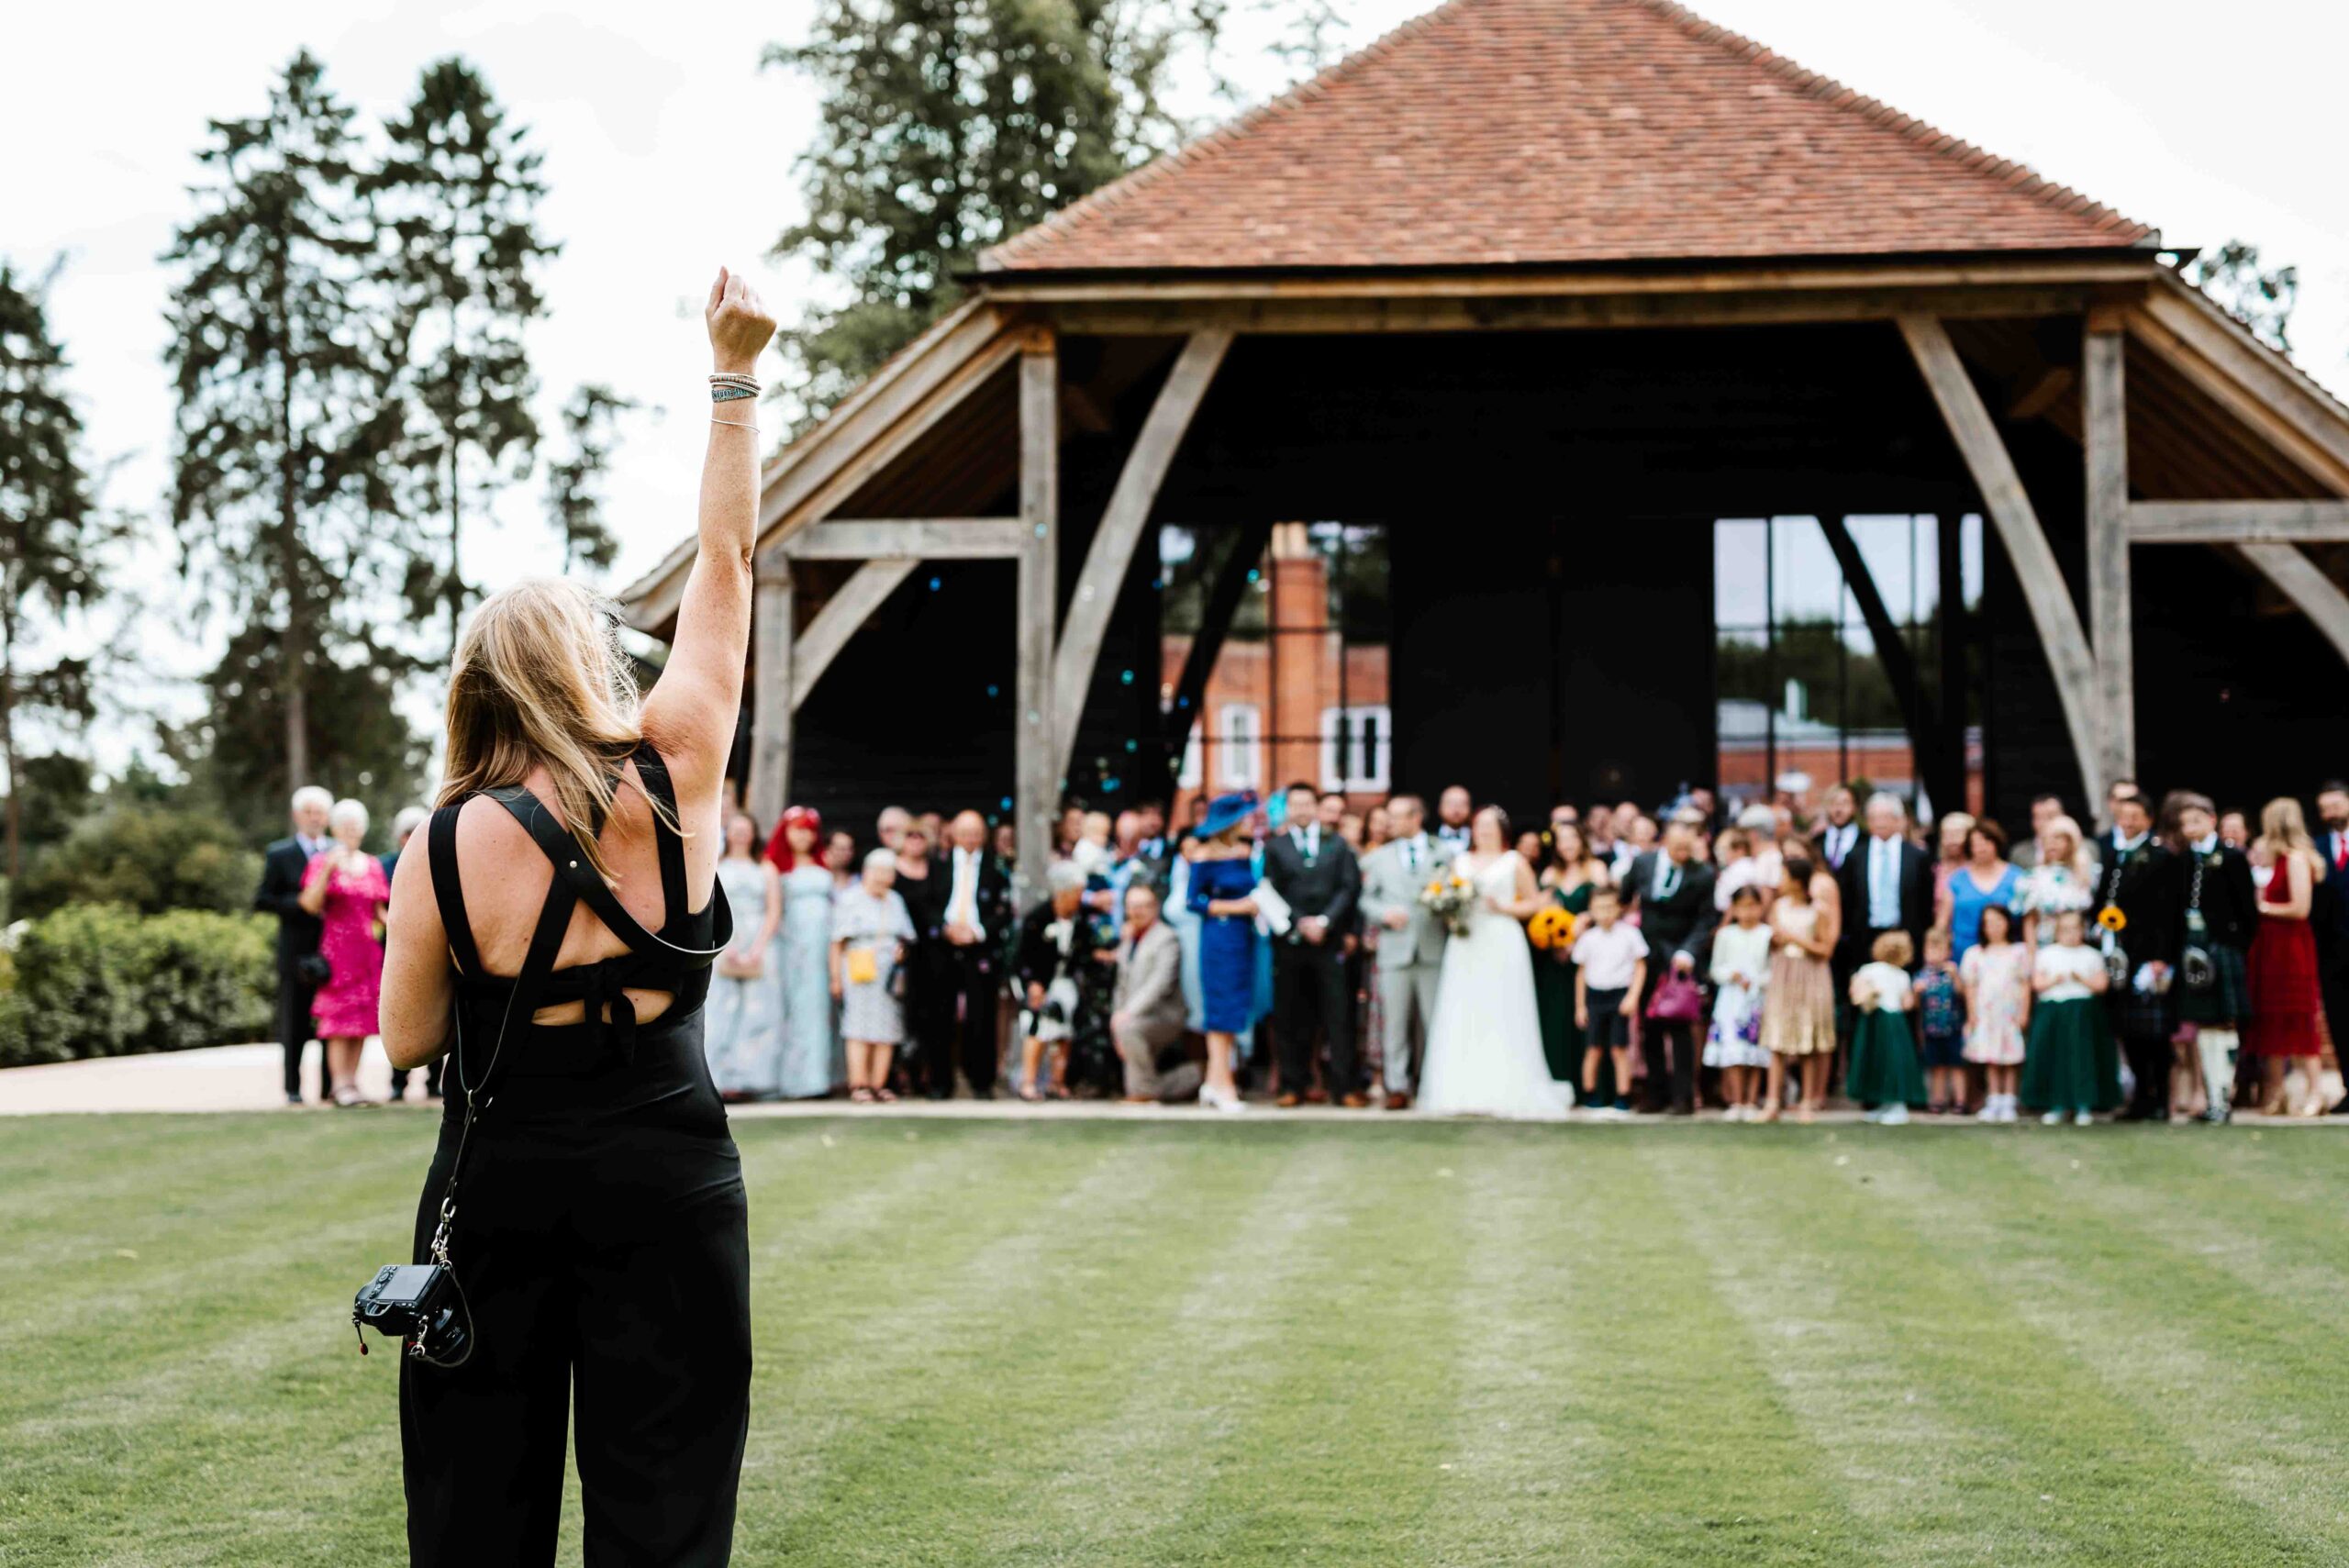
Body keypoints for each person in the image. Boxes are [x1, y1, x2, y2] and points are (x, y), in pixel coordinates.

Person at [377, 266, 772, 1564]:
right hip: (670, 1165)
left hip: (505, 1182)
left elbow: (407, 1041)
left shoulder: (439, 841)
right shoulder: (680, 760)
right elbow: (727, 558)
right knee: (667, 1505)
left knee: (477, 1508)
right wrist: (732, 375)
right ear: (589, 665)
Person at [1419, 806, 1570, 1118]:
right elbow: (1443, 893)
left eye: (1489, 825)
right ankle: (1462, 1089)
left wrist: (1502, 907)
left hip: (1502, 939)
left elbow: (1535, 904)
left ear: (1502, 830)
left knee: (1503, 1009)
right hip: (1466, 941)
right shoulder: (1459, 861)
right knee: (1464, 1009)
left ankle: (1506, 1087)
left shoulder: (1514, 862)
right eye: (1479, 825)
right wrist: (1449, 908)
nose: (1483, 831)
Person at [1265, 784, 1364, 1107]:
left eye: (1308, 804)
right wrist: (1300, 922)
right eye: (1296, 805)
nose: (1302, 810)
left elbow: (1348, 889)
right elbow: (1271, 890)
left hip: (1329, 941)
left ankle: (1345, 1088)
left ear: (1317, 807)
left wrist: (1324, 922)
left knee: (1338, 1015)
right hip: (1291, 943)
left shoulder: (1338, 846)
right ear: (1288, 809)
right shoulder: (1275, 847)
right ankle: (1293, 1086)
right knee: (1291, 1015)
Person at [1359, 794, 1453, 1111]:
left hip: (1432, 947)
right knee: (1394, 1022)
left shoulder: (1443, 853)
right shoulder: (1378, 858)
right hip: (1394, 950)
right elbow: (1365, 899)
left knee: (1434, 1021)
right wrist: (1383, 914)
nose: (1390, 823)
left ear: (1416, 818)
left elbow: (1454, 891)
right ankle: (1396, 1086)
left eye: (1397, 817)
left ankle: (1433, 1082)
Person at [2167, 792, 2255, 1124]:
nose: (2190, 828)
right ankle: (2211, 1099)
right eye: (2185, 823)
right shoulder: (2183, 860)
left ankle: (2223, 1096)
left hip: (2222, 946)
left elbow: (2248, 912)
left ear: (2211, 820)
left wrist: (2233, 945)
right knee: (2202, 1025)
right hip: (2192, 946)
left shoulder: (2231, 858)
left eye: (2196, 821)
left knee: (2225, 1023)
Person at [1621, 817, 1716, 1114]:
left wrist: (1689, 951)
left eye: (1687, 848)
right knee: (1648, 1027)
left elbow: (1705, 919)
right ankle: (1655, 1094)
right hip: (1646, 956)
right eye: (1677, 848)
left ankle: (1683, 1098)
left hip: (1680, 960)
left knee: (1680, 1029)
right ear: (1664, 843)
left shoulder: (1703, 874)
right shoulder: (1643, 864)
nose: (1682, 853)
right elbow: (1624, 897)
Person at [298, 797, 389, 1108]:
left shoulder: (373, 865)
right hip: (337, 953)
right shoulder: (323, 861)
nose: (352, 831)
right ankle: (339, 1085)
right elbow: (310, 904)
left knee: (362, 1021)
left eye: (357, 827)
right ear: (335, 828)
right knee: (339, 1021)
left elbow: (379, 911)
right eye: (346, 826)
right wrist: (328, 869)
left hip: (367, 952)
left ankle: (353, 1083)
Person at [2099, 790, 2179, 1121]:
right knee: (2128, 1031)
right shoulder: (2114, 852)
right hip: (2119, 953)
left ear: (2148, 819)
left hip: (2149, 956)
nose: (2128, 822)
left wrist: (2161, 958)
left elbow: (2169, 912)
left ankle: (2160, 1099)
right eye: (2123, 815)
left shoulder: (2161, 857)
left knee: (2155, 1036)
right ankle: (2139, 1101)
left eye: (2135, 816)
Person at [2245, 796, 2327, 1115]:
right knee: (2270, 1017)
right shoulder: (2269, 860)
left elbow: (2300, 908)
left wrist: (2261, 908)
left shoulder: (2295, 859)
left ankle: (2315, 1093)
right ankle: (2276, 1092)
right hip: (2268, 947)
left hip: (2291, 947)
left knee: (2298, 1016)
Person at [255, 785, 333, 1105]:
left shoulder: (338, 851)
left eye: (319, 812)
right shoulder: (280, 854)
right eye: (308, 812)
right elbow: (263, 900)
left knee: (332, 1020)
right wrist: (299, 904)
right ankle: (292, 1088)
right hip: (296, 951)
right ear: (297, 816)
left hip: (332, 949)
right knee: (295, 1022)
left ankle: (332, 1086)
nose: (314, 818)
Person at [1185, 791, 1260, 1113]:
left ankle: (1215, 1083)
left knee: (1236, 1007)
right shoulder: (1203, 856)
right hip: (1219, 936)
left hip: (1244, 937)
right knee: (1220, 1006)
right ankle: (1223, 1083)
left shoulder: (1246, 852)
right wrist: (1235, 906)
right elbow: (1193, 901)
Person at [706, 809, 785, 1101]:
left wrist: (758, 947)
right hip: (724, 939)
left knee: (758, 1012)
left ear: (753, 834)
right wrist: (729, 944)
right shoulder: (716, 865)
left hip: (759, 942)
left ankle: (753, 1079)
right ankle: (719, 1078)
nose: (740, 834)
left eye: (745, 829)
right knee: (721, 1010)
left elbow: (774, 909)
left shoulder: (766, 868)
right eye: (735, 829)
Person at [933, 809, 1012, 1098]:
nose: (970, 839)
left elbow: (1004, 910)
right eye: (965, 833)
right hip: (944, 945)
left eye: (976, 833)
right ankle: (941, 1083)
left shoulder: (995, 866)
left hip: (980, 946)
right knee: (941, 1014)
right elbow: (927, 902)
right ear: (954, 833)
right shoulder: (937, 863)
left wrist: (978, 931)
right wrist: (945, 928)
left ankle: (982, 1082)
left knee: (982, 1015)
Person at [1013, 861, 1104, 1100]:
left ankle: (1057, 1081)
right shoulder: (1038, 918)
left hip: (1063, 980)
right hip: (1038, 979)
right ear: (1063, 892)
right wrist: (1033, 984)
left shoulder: (1080, 920)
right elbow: (1023, 957)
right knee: (1038, 1024)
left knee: (1065, 1028)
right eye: (1077, 892)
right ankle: (1028, 1082)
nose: (1080, 898)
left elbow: (1085, 952)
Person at [1760, 854, 1840, 1123]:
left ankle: (1807, 1102)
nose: (1779, 882)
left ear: (1796, 881)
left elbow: (1825, 949)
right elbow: (1772, 942)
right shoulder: (1777, 907)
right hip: (1783, 973)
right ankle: (1772, 1103)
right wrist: (1774, 940)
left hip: (1809, 975)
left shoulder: (1818, 910)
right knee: (1777, 1039)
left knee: (1808, 1041)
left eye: (1783, 876)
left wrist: (1793, 938)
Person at [766, 806, 839, 1100]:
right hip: (793, 945)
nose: (803, 836)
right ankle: (795, 1079)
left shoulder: (824, 864)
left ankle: (818, 1077)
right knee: (795, 1008)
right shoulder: (776, 867)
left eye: (809, 830)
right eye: (797, 829)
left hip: (823, 944)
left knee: (820, 1010)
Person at [833, 849, 917, 1104]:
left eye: (888, 872)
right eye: (878, 871)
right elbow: (836, 942)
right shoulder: (850, 899)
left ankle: (879, 1083)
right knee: (858, 1027)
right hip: (859, 967)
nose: (882, 877)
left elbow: (907, 935)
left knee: (887, 1026)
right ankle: (859, 1084)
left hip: (889, 972)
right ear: (867, 872)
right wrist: (835, 977)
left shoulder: (895, 901)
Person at [2021, 908, 2117, 1125]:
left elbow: (2102, 985)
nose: (2070, 934)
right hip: (2054, 1014)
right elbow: (2037, 984)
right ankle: (2056, 1105)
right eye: (2065, 929)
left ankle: (2084, 1104)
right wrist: (2056, 979)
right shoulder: (2047, 954)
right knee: (2056, 1059)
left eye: (2075, 929)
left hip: (2082, 1015)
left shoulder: (2091, 955)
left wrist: (2081, 978)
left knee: (2082, 1059)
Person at [1108, 883, 1201, 1105]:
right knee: (1125, 1029)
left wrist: (1127, 1015)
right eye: (1131, 906)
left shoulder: (1167, 938)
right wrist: (1117, 1018)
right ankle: (1194, 1075)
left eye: (1142, 906)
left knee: (1129, 1029)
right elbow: (1121, 985)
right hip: (1133, 1017)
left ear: (1155, 907)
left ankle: (1144, 1092)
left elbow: (1159, 984)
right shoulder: (1129, 940)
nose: (1137, 912)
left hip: (1164, 1015)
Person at [1533, 821, 1608, 1086]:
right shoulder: (1549, 875)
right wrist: (1557, 941)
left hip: (1590, 954)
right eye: (1561, 840)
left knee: (1589, 1018)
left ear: (1582, 840)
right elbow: (1542, 915)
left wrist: (1584, 921)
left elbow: (1607, 905)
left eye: (1572, 838)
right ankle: (1560, 1079)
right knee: (1558, 1018)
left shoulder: (1596, 869)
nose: (1567, 845)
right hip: (1557, 959)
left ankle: (1591, 1084)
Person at [1836, 792, 1932, 988]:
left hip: (1905, 935)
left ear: (1899, 820)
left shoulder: (1917, 857)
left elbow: (1925, 901)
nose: (1879, 823)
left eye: (1885, 817)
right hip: (1866, 937)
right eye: (1874, 818)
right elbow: (1847, 900)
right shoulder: (1855, 857)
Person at [1572, 884, 1645, 1116]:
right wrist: (1580, 1006)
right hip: (1595, 997)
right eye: (1599, 908)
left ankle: (1623, 1095)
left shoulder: (1630, 934)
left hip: (1619, 995)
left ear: (1619, 908)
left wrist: (1632, 996)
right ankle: (1591, 1094)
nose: (1605, 913)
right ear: (1591, 911)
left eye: (1609, 907)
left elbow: (1640, 965)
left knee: (1619, 1048)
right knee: (1593, 1049)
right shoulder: (1588, 938)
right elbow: (1581, 973)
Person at [382, 806, 437, 1103]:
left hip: (435, 941)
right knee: (400, 1010)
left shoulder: (439, 856)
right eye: (407, 831)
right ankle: (397, 1082)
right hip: (397, 943)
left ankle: (433, 1082)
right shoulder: (386, 864)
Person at [1705, 884, 1772, 1119]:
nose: (1748, 912)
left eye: (1753, 906)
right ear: (1733, 909)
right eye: (1742, 907)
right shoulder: (1726, 934)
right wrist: (1731, 975)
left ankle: (1752, 1101)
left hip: (1757, 999)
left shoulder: (1767, 934)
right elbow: (1715, 968)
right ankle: (1736, 1101)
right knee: (1733, 1051)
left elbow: (1772, 969)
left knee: (1754, 1052)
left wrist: (1756, 981)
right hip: (1730, 1000)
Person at [1847, 931, 1925, 1125]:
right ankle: (1888, 1104)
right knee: (1893, 1061)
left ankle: (1894, 1105)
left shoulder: (1868, 970)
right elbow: (1907, 1004)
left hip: (1874, 1023)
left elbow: (1855, 994)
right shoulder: (1902, 975)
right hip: (1894, 1023)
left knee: (1880, 1060)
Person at [1960, 906, 2030, 1123]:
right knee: (1991, 1057)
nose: (1994, 927)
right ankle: (1993, 1099)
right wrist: (1972, 1013)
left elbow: (2025, 983)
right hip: (1986, 1014)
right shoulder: (1975, 954)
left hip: (2009, 1013)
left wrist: (2024, 1012)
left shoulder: (2019, 952)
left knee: (2009, 1057)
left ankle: (2009, 1100)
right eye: (1988, 922)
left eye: (1998, 921)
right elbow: (1970, 987)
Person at [1938, 818, 2021, 965]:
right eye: (1975, 844)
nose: (1981, 848)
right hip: (1963, 953)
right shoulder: (1956, 879)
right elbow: (1943, 922)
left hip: (2006, 955)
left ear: (1996, 843)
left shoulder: (2017, 877)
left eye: (1986, 842)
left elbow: (2027, 919)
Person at [2017, 815, 2097, 948]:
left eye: (2059, 838)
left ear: (2072, 841)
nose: (2052, 844)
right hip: (2046, 949)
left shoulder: (2089, 874)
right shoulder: (2033, 877)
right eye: (2047, 839)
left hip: (2081, 948)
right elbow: (2029, 923)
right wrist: (2032, 957)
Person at [1914, 927, 1965, 1115]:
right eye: (1930, 950)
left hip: (1953, 1027)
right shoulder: (1922, 975)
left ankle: (1960, 1100)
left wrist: (1955, 976)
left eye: (1938, 949)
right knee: (1937, 1066)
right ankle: (1938, 1100)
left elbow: (1962, 993)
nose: (1934, 954)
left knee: (1957, 1065)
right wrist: (1916, 992)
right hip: (1931, 1028)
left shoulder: (1952, 972)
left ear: (1948, 951)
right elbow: (1915, 1005)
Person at [1811, 784, 1860, 873]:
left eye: (1845, 803)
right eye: (1833, 803)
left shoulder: (1866, 841)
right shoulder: (1816, 842)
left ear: (1855, 807)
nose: (1839, 809)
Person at [2010, 793, 2065, 870]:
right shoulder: (2019, 854)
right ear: (2033, 821)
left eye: (2051, 816)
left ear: (2064, 817)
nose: (2046, 822)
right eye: (2039, 817)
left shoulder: (2085, 848)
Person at [1433, 784, 1474, 852]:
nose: (1456, 810)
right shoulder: (1426, 838)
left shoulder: (1478, 839)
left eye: (1462, 804)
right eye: (1451, 803)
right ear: (1439, 807)